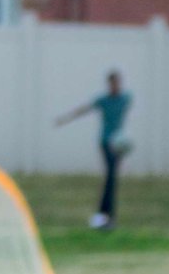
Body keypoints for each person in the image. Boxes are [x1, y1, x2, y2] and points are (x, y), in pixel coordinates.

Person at [55, 70, 132, 229]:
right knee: (111, 177)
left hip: (118, 144)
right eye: (112, 83)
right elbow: (84, 109)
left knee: (112, 180)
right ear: (109, 84)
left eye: (117, 83)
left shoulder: (125, 98)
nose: (115, 86)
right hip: (105, 142)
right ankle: (105, 217)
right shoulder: (103, 100)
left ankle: (106, 217)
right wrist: (65, 119)